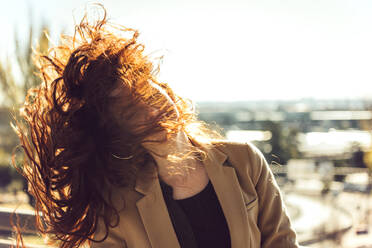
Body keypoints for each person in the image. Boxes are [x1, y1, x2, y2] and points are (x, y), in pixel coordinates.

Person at [13, 6, 299, 248]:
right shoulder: (113, 210)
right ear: (115, 131)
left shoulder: (244, 160)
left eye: (149, 94)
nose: (151, 109)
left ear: (166, 90)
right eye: (130, 110)